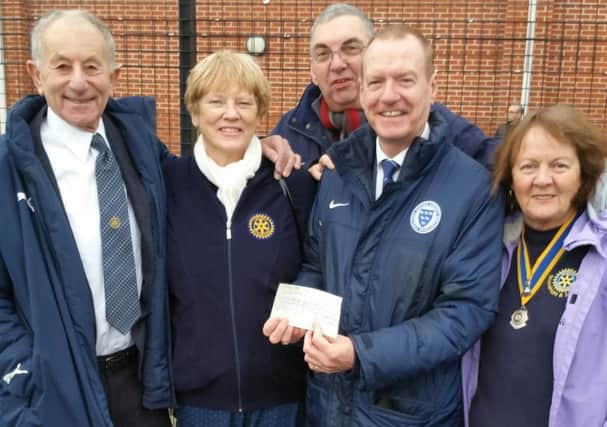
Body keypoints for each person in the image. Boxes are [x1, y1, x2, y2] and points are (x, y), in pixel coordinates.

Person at [0, 9, 297, 427]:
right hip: (56, 385)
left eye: (91, 66)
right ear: (35, 74)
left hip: (139, 384)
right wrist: (22, 371)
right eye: (62, 66)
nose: (79, 82)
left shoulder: (141, 150)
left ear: (114, 76)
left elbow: (218, 160)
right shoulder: (9, 167)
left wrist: (264, 146)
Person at [265, 24, 504, 426]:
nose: (389, 96)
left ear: (432, 84)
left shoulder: (472, 189)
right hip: (329, 408)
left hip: (411, 415)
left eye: (405, 80)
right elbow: (316, 266)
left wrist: (360, 354)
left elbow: (465, 312)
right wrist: (297, 314)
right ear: (361, 90)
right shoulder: (338, 172)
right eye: (376, 82)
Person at [164, 51, 316, 427]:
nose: (230, 113)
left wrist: (298, 313)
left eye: (243, 103)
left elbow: (319, 264)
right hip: (199, 402)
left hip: (280, 397)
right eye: (215, 101)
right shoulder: (167, 185)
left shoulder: (290, 184)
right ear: (195, 112)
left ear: (259, 112)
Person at [462, 105, 607, 427]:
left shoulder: (601, 256)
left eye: (559, 165)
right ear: (511, 177)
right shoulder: (487, 247)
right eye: (528, 166)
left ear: (583, 174)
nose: (543, 179)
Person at [272, 3, 499, 172]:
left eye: (351, 48)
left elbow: (500, 161)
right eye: (323, 54)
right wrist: (252, 151)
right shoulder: (290, 131)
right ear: (312, 71)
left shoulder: (428, 123)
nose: (338, 64)